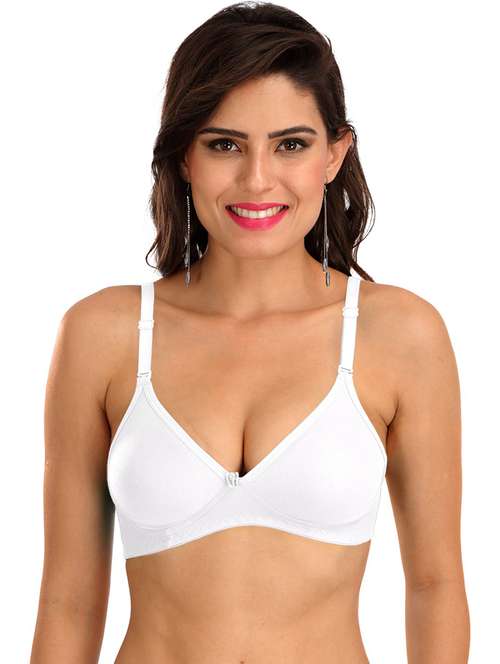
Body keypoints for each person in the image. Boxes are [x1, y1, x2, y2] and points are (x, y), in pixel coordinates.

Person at [30, 2, 470, 662]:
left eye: (291, 144)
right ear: (184, 156)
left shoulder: (401, 335)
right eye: (224, 144)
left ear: (335, 154)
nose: (257, 178)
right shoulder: (103, 334)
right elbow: (69, 601)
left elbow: (435, 585)